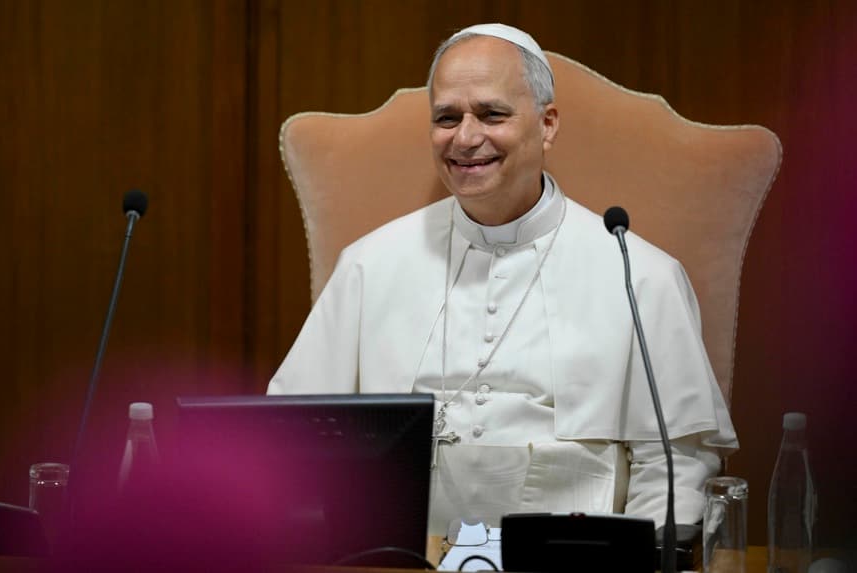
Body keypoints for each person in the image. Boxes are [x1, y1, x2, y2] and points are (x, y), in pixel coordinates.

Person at [268, 23, 738, 536]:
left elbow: (674, 474)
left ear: (548, 124)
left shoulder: (641, 275)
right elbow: (292, 445)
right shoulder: (368, 265)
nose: (466, 138)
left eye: (492, 114)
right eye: (447, 118)